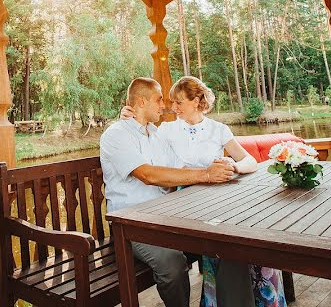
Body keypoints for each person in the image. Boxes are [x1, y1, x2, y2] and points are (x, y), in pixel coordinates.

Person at [122, 76, 287, 307]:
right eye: (170, 102)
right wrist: (126, 117)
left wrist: (234, 166)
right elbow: (141, 131)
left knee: (253, 231)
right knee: (226, 239)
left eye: (179, 102)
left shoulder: (218, 129)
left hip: (220, 195)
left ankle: (266, 298)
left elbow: (249, 160)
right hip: (186, 201)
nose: (172, 107)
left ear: (197, 101)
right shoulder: (166, 130)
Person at [100, 77, 236, 307]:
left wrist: (217, 169)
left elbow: (180, 169)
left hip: (164, 217)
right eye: (159, 99)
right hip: (130, 225)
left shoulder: (156, 135)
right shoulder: (116, 135)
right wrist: (205, 174)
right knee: (172, 261)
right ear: (142, 102)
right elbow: (148, 175)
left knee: (221, 235)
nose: (164, 105)